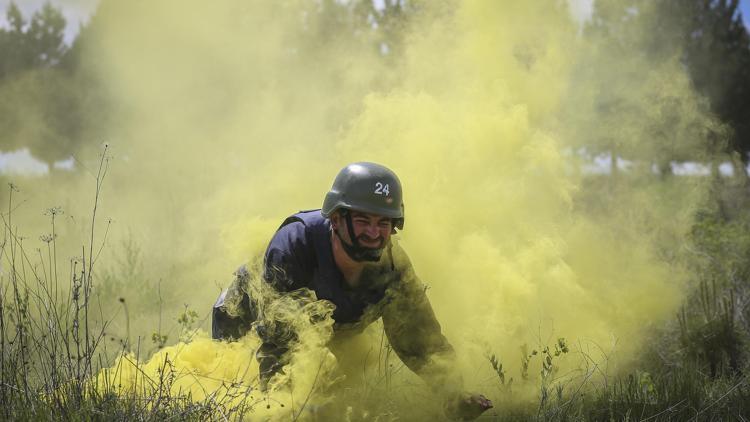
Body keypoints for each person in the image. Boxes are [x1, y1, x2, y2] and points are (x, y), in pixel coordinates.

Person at [212, 162, 492, 420]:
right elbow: (278, 345)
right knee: (234, 392)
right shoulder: (294, 247)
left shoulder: (392, 268)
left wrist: (453, 394)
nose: (374, 233)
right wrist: (286, 408)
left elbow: (420, 339)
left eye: (383, 223)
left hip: (321, 329)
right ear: (336, 219)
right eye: (363, 221)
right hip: (243, 319)